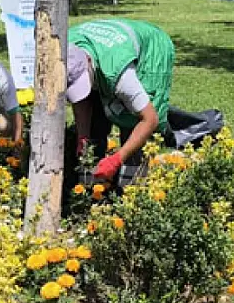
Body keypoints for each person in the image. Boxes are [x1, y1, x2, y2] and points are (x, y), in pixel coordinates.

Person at [66, 19, 175, 182]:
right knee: (96, 120)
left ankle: (131, 185)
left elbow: (149, 119)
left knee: (131, 121)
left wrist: (117, 159)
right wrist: (83, 137)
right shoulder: (64, 48)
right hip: (108, 50)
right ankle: (94, 184)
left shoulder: (121, 76)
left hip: (152, 49)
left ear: (88, 61)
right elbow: (82, 100)